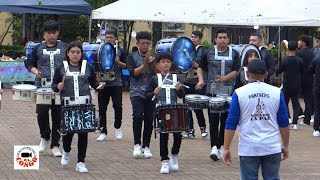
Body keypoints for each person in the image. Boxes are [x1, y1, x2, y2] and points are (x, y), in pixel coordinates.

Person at [223, 59, 290, 180]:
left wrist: (226, 147)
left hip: (249, 148)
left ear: (247, 74)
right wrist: (285, 145)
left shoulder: (239, 93)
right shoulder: (276, 92)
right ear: (266, 74)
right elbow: (284, 122)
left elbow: (231, 122)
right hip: (271, 146)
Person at [52, 41, 105, 173]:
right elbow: (54, 85)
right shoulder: (61, 67)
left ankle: (81, 162)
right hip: (67, 105)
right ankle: (67, 151)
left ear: (82, 54)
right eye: (72, 52)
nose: (75, 55)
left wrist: (99, 85)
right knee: (68, 132)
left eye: (78, 52)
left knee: (83, 133)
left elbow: (93, 82)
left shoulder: (87, 66)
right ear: (68, 53)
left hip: (84, 105)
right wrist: (57, 86)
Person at [196, 28, 240, 161]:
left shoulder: (234, 53)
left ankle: (221, 146)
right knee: (213, 119)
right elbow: (200, 67)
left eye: (225, 37)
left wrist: (224, 78)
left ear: (228, 39)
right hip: (212, 91)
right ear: (215, 39)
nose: (222, 40)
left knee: (226, 120)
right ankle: (214, 147)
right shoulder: (208, 52)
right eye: (220, 37)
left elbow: (236, 70)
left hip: (228, 92)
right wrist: (201, 80)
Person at [27, 20, 68, 156]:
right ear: (44, 34)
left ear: (58, 33)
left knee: (58, 115)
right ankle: (44, 136)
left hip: (59, 87)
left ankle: (55, 144)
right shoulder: (37, 48)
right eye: (48, 33)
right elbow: (30, 63)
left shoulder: (65, 47)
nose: (51, 35)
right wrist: (34, 71)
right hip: (42, 85)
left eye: (54, 32)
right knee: (42, 114)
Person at [146, 53, 185, 174]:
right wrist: (154, 92)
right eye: (163, 62)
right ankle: (164, 161)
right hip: (161, 110)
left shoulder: (175, 78)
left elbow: (181, 95)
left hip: (174, 109)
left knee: (178, 134)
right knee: (164, 136)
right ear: (158, 64)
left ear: (171, 64)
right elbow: (147, 95)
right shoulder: (154, 79)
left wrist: (180, 89)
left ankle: (174, 154)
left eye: (168, 61)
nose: (166, 64)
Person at [126, 31, 155, 159]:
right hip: (136, 91)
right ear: (137, 43)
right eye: (142, 43)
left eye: (147, 43)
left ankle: (146, 146)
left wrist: (153, 64)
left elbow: (160, 72)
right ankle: (137, 144)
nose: (145, 45)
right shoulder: (131, 57)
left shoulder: (154, 55)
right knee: (138, 116)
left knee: (149, 119)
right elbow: (133, 73)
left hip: (151, 92)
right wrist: (145, 64)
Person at [96, 31, 127, 141]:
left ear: (115, 39)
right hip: (103, 83)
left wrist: (118, 62)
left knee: (118, 107)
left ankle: (117, 128)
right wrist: (98, 80)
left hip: (116, 83)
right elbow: (94, 66)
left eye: (111, 37)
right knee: (102, 108)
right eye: (107, 37)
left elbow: (126, 66)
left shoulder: (120, 51)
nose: (109, 39)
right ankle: (103, 131)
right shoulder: (99, 49)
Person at [182, 30, 208, 139]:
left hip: (197, 82)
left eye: (195, 37)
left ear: (200, 39)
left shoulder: (203, 50)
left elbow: (205, 66)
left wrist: (197, 65)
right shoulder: (188, 50)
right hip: (187, 80)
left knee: (197, 106)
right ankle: (190, 130)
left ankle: (203, 128)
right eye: (192, 37)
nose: (193, 39)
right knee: (187, 107)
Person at [277, 41, 304, 130]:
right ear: (296, 49)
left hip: (287, 84)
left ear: (288, 48)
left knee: (285, 102)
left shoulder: (285, 60)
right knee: (295, 103)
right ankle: (295, 123)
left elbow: (279, 71)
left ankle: (287, 118)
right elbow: (303, 72)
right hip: (297, 84)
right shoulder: (300, 60)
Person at [297, 35, 314, 126]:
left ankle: (298, 114)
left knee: (295, 97)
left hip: (300, 77)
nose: (298, 42)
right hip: (310, 77)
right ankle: (307, 118)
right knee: (308, 99)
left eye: (300, 41)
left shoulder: (299, 53)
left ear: (304, 43)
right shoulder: (312, 53)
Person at [309, 52, 320, 136]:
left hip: (317, 86)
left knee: (317, 108)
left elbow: (310, 71)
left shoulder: (316, 58)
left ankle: (316, 129)